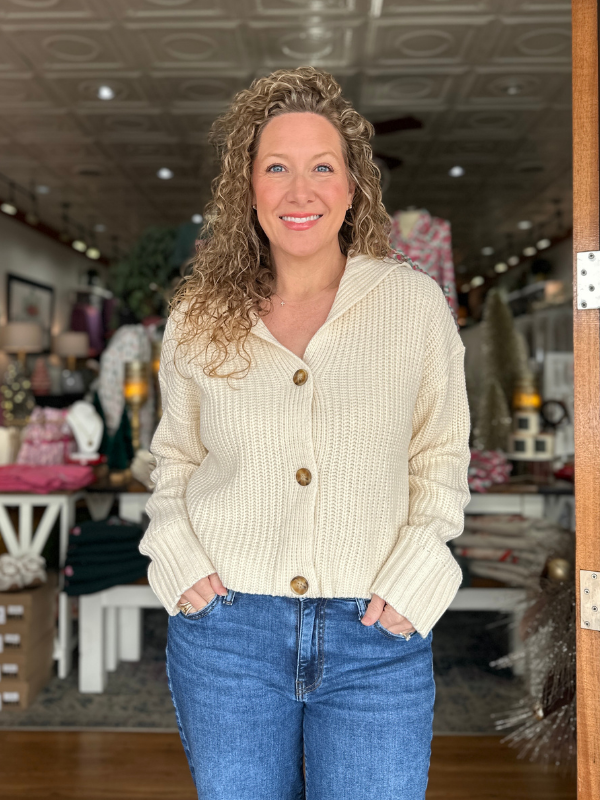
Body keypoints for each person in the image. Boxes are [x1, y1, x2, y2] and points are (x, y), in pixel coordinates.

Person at [139, 65, 471, 800]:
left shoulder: (413, 306)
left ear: (354, 186)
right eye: (277, 167)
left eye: (323, 167)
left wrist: (419, 573)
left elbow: (441, 457)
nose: (301, 191)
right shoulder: (198, 316)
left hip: (376, 636)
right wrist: (175, 557)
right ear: (246, 186)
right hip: (226, 635)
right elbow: (174, 460)